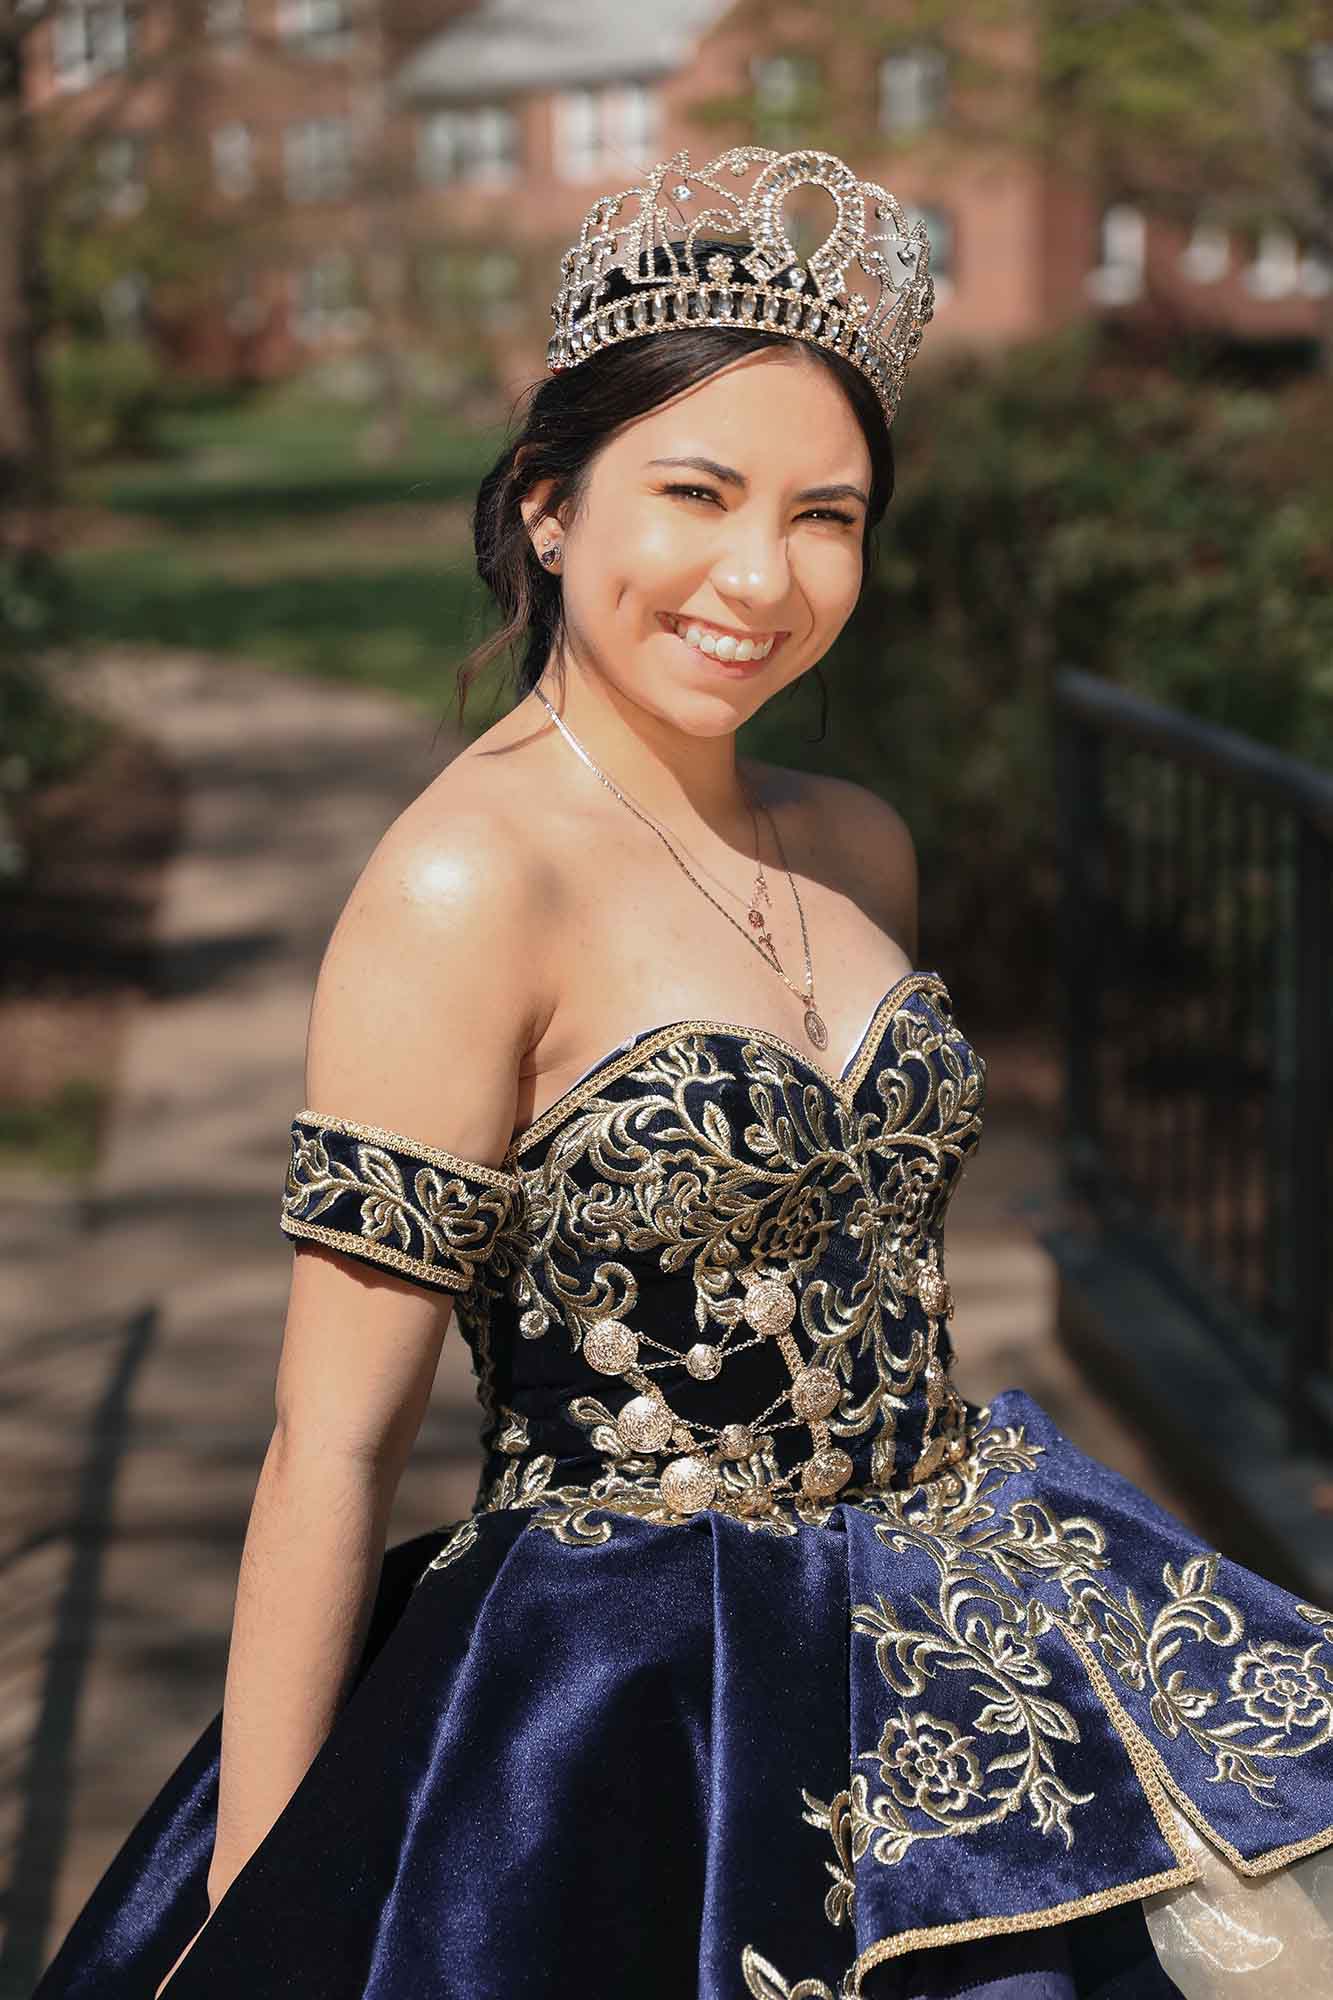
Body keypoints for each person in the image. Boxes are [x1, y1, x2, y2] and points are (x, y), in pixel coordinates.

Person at [34, 145, 1333, 2000]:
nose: (761, 574)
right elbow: (330, 1442)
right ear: (551, 506)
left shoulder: (857, 841)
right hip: (637, 1703)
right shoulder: (465, 880)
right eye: (697, 492)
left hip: (964, 1631)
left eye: (827, 512)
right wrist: (272, 1895)